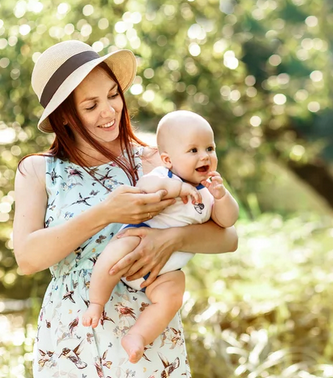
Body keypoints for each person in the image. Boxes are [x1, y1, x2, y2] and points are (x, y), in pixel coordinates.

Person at [13, 40, 238, 378]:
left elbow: (228, 237)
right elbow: (27, 258)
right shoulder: (38, 170)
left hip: (149, 331)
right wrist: (105, 213)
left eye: (113, 95)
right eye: (91, 105)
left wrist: (173, 239)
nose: (109, 111)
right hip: (75, 330)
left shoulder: (155, 159)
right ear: (65, 117)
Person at [82, 110, 239, 363]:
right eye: (193, 150)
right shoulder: (163, 176)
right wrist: (179, 188)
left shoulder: (209, 192)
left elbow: (226, 222)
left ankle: (138, 336)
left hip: (164, 273)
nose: (205, 156)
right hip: (138, 242)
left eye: (210, 148)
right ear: (167, 159)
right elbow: (146, 188)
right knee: (114, 253)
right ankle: (96, 303)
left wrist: (222, 197)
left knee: (173, 294)